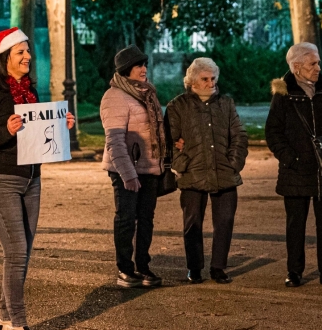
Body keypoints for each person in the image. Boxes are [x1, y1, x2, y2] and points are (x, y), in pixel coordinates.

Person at [0, 27, 74, 330]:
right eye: (21, 52)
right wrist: (5, 131)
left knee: (21, 253)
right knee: (15, 252)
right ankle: (17, 326)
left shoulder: (30, 91)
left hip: (31, 179)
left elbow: (40, 135)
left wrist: (61, 127)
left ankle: (3, 319)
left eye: (28, 52)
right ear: (4, 58)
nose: (28, 57)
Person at [266, 42, 322, 288]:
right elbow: (274, 133)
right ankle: (294, 272)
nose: (318, 67)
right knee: (295, 226)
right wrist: (292, 159)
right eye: (313, 63)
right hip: (295, 171)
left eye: (318, 62)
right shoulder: (283, 95)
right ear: (296, 67)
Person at [166, 58, 248, 285]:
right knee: (193, 222)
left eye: (213, 78)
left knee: (225, 220)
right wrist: (183, 163)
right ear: (192, 81)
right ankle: (194, 268)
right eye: (205, 79)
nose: (210, 83)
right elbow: (169, 141)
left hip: (224, 171)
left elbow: (239, 135)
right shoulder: (177, 106)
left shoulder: (226, 103)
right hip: (192, 172)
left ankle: (218, 267)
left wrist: (234, 162)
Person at [100, 45, 165, 288]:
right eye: (138, 65)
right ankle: (125, 269)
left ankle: (143, 266)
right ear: (127, 70)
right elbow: (115, 141)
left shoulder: (147, 93)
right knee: (126, 218)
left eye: (144, 64)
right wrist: (128, 174)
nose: (144, 69)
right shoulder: (114, 96)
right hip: (124, 169)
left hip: (148, 166)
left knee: (146, 218)